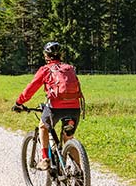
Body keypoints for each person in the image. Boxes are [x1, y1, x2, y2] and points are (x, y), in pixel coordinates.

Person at [12, 42, 83, 170]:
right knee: (68, 138)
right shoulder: (70, 68)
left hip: (55, 108)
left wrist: (19, 103)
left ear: (46, 56)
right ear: (60, 55)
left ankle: (45, 159)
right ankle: (80, 174)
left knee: (43, 126)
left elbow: (31, 88)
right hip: (74, 108)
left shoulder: (45, 70)